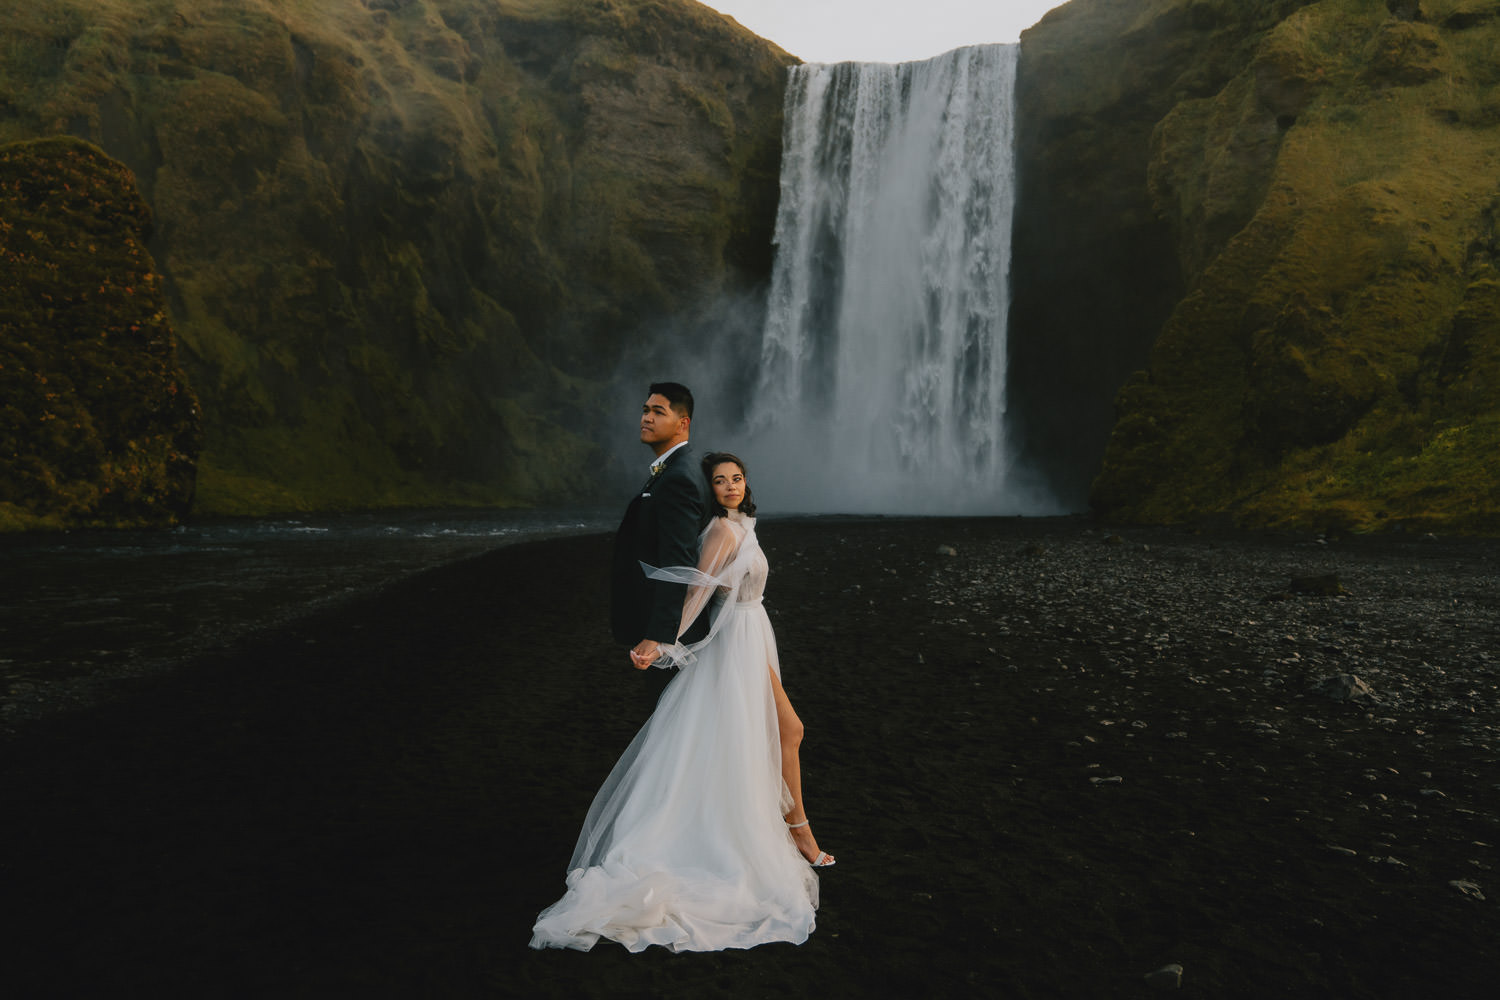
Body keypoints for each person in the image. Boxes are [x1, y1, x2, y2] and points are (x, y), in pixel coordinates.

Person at [529, 450, 834, 953]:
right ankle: (798, 829)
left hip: (753, 634)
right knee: (788, 730)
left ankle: (796, 826)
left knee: (776, 733)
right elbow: (697, 591)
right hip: (736, 641)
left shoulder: (744, 522)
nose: (731, 486)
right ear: (709, 490)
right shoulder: (721, 531)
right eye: (720, 481)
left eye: (737, 478)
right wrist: (661, 640)